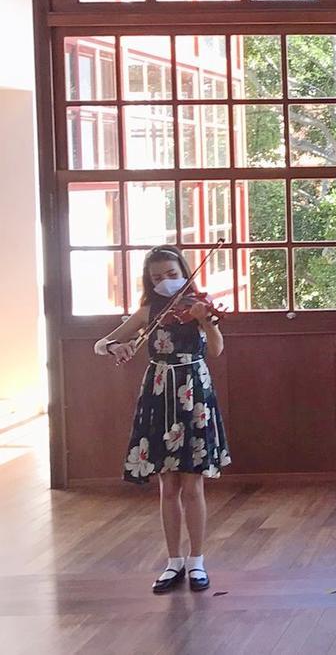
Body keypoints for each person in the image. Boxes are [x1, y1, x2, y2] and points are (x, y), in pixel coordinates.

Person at [93, 245, 229, 594]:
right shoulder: (148, 311)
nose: (165, 281)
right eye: (157, 277)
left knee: (192, 483)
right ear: (149, 281)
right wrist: (114, 347)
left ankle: (197, 560)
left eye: (171, 274)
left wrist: (203, 319)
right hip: (159, 392)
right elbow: (101, 343)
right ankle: (173, 562)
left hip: (193, 392)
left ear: (183, 271)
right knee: (167, 485)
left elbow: (215, 349)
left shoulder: (200, 305)